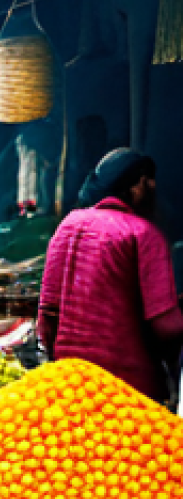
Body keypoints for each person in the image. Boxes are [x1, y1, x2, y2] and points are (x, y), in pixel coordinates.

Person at [40, 148, 183, 403]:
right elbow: (166, 326)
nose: (154, 187)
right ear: (138, 185)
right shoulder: (143, 233)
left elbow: (48, 313)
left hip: (70, 382)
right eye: (150, 180)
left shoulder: (68, 225)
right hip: (129, 389)